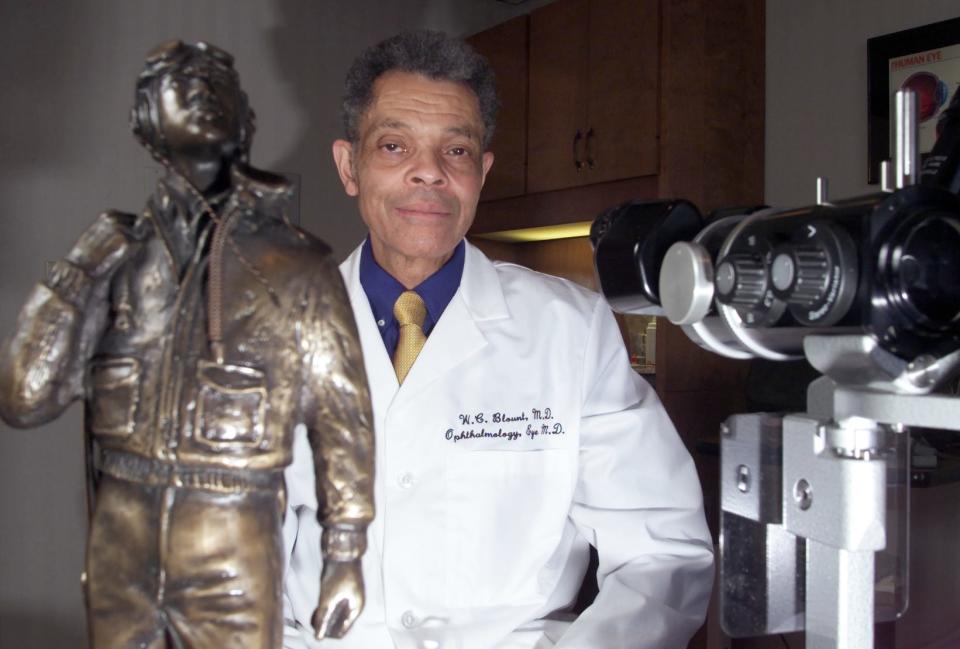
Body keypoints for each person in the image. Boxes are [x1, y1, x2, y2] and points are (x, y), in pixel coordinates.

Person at [282, 30, 714, 649]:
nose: (428, 172)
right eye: (395, 145)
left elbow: (663, 554)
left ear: (481, 173)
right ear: (350, 166)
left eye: (455, 150)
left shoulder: (574, 330)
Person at [0, 41, 374, 648]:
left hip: (233, 545)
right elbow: (24, 400)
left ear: (245, 120)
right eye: (175, 81)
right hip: (121, 545)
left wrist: (346, 552)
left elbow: (344, 418)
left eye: (215, 80)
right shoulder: (113, 259)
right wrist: (76, 270)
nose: (198, 85)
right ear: (143, 122)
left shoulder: (298, 265)